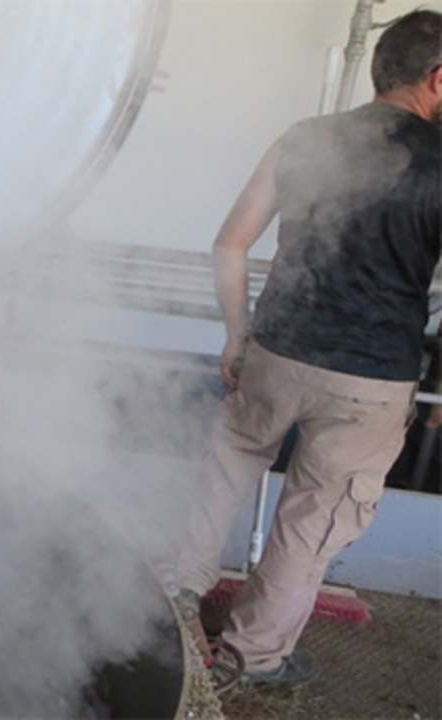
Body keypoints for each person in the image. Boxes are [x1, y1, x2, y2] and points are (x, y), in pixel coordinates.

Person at [174, 9, 441, 687]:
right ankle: (249, 658)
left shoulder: (306, 139)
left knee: (222, 478)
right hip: (370, 384)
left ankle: (163, 616)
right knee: (311, 524)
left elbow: (229, 242)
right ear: (438, 79)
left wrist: (236, 335)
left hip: (276, 352)